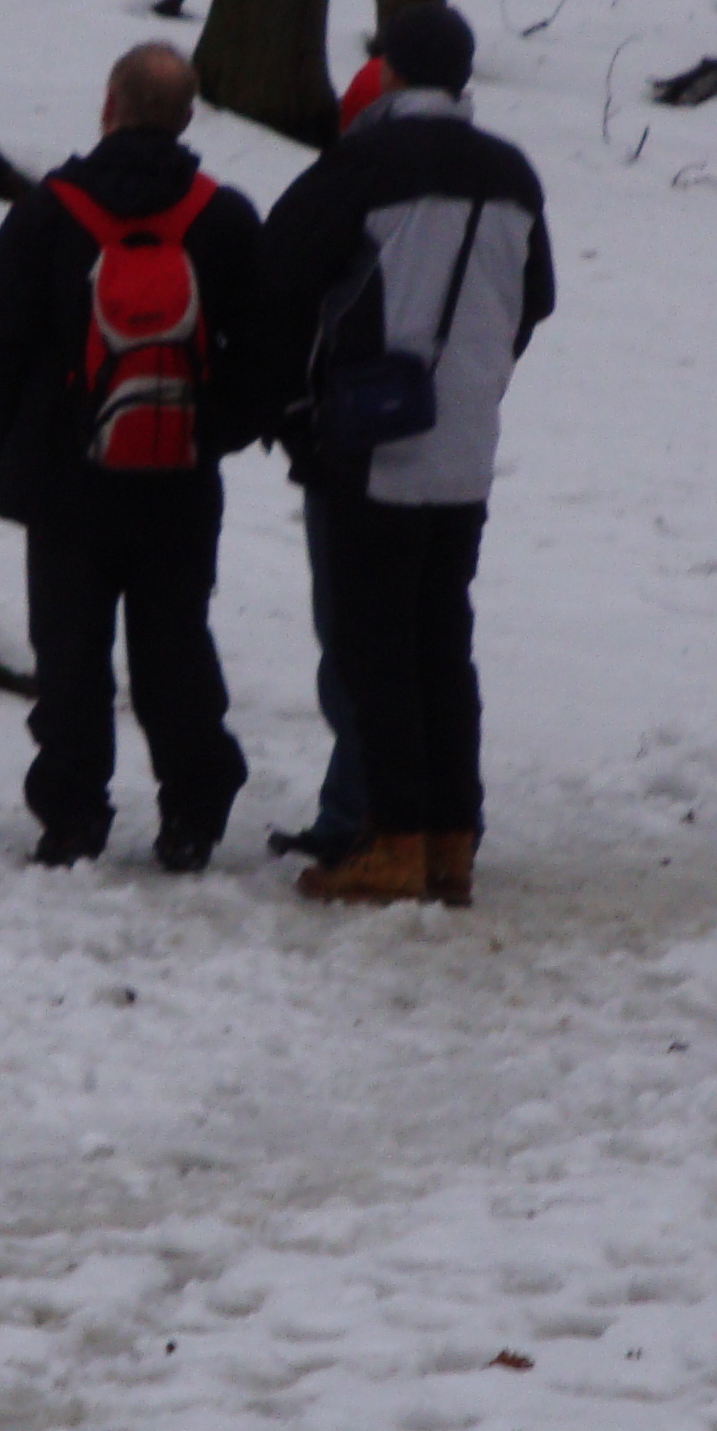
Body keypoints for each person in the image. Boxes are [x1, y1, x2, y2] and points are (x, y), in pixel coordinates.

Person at [255, 4, 553, 907]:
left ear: (389, 72)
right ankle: (452, 843)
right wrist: (474, 371)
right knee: (442, 645)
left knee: (374, 648)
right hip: (466, 444)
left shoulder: (361, 165)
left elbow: (278, 281)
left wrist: (289, 407)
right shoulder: (512, 172)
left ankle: (393, 844)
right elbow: (535, 297)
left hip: (371, 440)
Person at [0, 42, 262, 870]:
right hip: (178, 479)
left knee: (69, 655)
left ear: (109, 105)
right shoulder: (223, 219)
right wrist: (210, 432)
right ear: (187, 117)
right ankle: (193, 813)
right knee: (175, 647)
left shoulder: (46, 213)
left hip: (65, 478)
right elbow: (264, 354)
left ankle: (71, 817)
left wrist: (13, 441)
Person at [267, 50, 394, 867]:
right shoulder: (490, 181)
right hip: (449, 445)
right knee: (425, 636)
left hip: (346, 444)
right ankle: (434, 816)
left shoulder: (337, 188)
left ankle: (354, 814)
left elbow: (276, 300)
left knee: (348, 638)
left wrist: (290, 418)